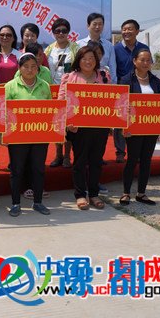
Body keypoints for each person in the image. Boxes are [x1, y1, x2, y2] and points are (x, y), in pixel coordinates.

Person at [58, 45, 109, 211]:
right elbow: (62, 102)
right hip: (78, 128)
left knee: (96, 161)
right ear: (78, 61)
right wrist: (67, 122)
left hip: (99, 126)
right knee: (80, 161)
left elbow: (112, 99)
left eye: (91, 58)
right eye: (84, 58)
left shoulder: (103, 76)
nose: (88, 61)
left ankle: (94, 194)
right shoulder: (69, 77)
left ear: (96, 60)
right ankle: (80, 194)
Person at [5, 53, 52, 216]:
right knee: (17, 169)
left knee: (38, 169)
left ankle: (38, 202)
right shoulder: (10, 86)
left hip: (40, 135)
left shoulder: (45, 86)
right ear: (19, 68)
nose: (30, 70)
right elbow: (4, 111)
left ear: (38, 69)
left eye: (33, 67)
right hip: (17, 136)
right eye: (26, 66)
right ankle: (15, 203)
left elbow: (51, 111)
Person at [120, 48, 160, 206]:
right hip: (133, 127)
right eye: (142, 60)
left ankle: (141, 193)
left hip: (151, 126)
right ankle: (126, 193)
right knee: (132, 159)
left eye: (148, 60)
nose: (145, 63)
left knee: (146, 160)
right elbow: (122, 105)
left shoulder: (156, 81)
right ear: (134, 61)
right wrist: (124, 127)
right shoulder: (126, 80)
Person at [45, 18, 80, 169]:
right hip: (53, 90)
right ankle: (58, 154)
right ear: (53, 33)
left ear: (68, 32)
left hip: (70, 90)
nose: (61, 34)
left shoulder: (75, 48)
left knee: (69, 123)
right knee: (56, 122)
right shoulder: (48, 49)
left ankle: (67, 155)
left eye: (64, 31)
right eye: (57, 31)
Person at [113, 19, 148, 163]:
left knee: (137, 118)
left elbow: (147, 65)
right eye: (124, 29)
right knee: (120, 120)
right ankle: (120, 151)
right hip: (121, 87)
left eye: (130, 29)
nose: (126, 32)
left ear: (137, 31)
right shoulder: (115, 49)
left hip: (139, 86)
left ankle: (136, 151)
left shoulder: (144, 48)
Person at [76, 13, 117, 83]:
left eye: (100, 24)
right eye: (94, 24)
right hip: (82, 81)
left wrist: (113, 84)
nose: (97, 27)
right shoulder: (78, 44)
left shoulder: (109, 45)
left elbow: (112, 67)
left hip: (103, 82)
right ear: (88, 26)